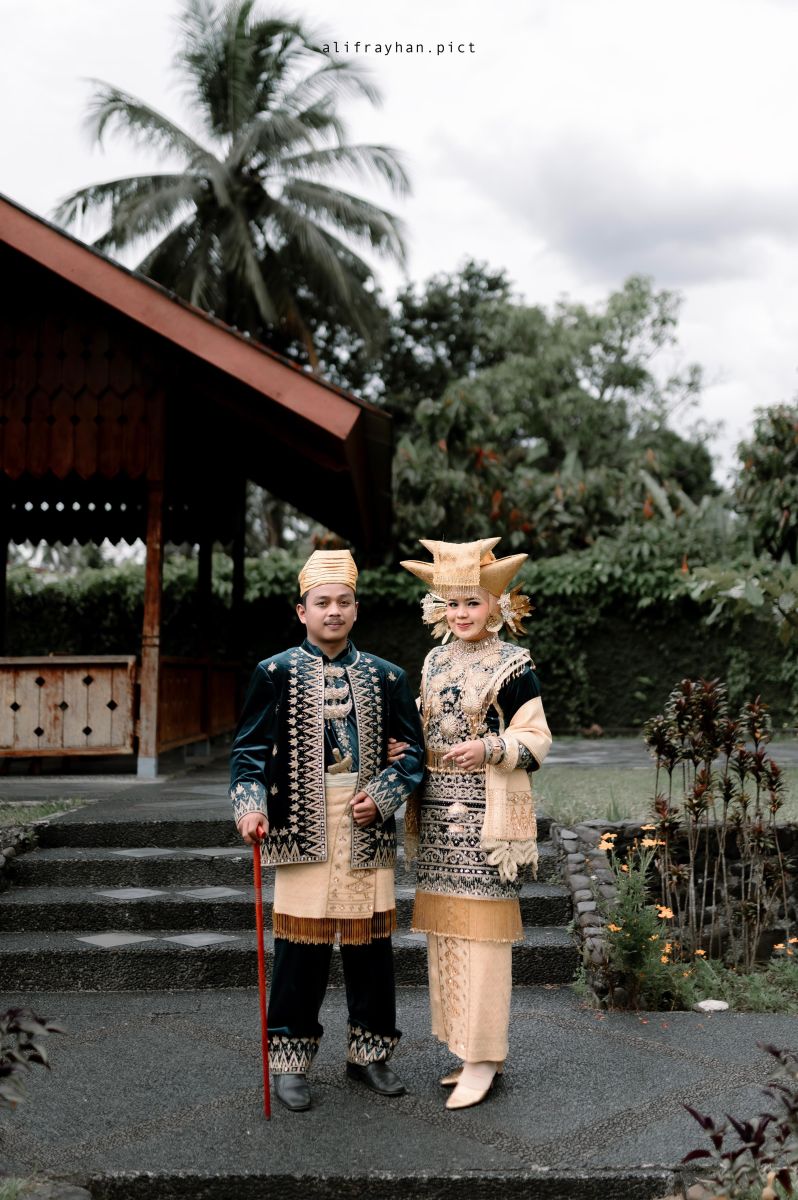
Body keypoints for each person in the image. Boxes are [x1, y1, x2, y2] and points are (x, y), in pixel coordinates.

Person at [229, 549, 425, 1112]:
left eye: (343, 602)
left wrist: (383, 797)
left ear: (356, 609)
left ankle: (371, 1055)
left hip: (365, 824)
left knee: (371, 950)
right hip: (298, 824)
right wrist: (249, 807)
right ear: (302, 611)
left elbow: (413, 755)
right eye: (322, 603)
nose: (332, 611)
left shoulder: (388, 676)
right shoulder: (274, 673)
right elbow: (248, 752)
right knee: (299, 950)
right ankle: (290, 1062)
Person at [398, 537, 552, 1110]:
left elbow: (535, 739)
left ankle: (485, 1057)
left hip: (486, 816)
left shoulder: (514, 664)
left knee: (484, 936)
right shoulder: (435, 661)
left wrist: (489, 748)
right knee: (448, 933)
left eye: (472, 602)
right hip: (438, 813)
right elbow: (424, 726)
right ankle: (466, 1048)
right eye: (452, 603)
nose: (461, 614)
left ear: (496, 604)